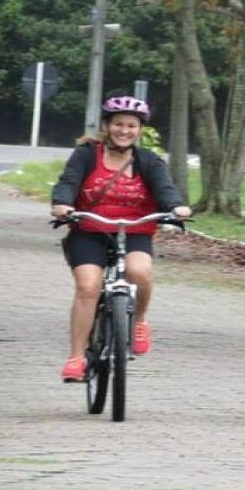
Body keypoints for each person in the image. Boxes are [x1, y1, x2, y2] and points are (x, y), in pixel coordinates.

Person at [51, 96, 191, 382]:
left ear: (139, 130)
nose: (124, 130)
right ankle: (76, 358)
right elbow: (68, 182)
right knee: (88, 287)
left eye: (131, 125)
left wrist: (176, 207)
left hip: (134, 232)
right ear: (106, 126)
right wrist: (62, 204)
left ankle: (138, 321)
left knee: (139, 271)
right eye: (118, 124)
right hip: (89, 232)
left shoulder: (149, 161)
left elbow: (165, 190)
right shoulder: (86, 155)